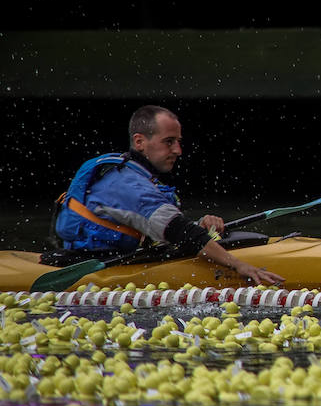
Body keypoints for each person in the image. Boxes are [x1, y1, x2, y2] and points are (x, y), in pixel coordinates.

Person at [49, 105, 284, 286]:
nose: (178, 150)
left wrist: (202, 226)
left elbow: (175, 231)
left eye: (178, 142)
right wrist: (240, 265)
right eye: (169, 142)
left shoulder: (136, 176)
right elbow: (182, 233)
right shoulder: (127, 185)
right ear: (140, 141)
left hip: (120, 256)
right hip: (89, 266)